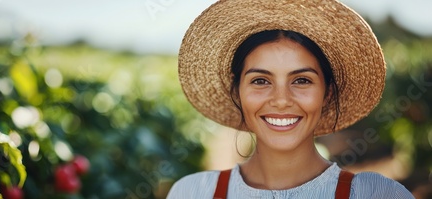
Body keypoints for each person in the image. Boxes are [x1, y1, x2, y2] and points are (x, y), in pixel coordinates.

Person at [167, 0, 415, 198]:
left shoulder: (376, 194)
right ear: (237, 91)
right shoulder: (192, 192)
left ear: (327, 92)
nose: (281, 100)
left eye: (302, 80)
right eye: (261, 81)